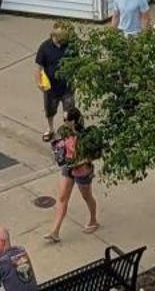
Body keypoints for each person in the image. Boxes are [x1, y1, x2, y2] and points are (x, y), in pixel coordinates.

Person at [46, 102, 100, 243]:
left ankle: (93, 220)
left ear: (74, 120)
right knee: (62, 196)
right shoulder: (63, 131)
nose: (64, 122)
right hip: (68, 167)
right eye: (63, 119)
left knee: (87, 196)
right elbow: (58, 146)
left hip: (82, 169)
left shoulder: (86, 135)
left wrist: (83, 161)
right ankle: (55, 231)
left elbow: (95, 153)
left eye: (67, 120)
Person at [33, 22, 72, 142]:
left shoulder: (70, 46)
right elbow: (38, 68)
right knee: (50, 111)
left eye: (63, 42)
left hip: (67, 87)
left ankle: (68, 131)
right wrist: (40, 83)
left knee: (69, 112)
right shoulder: (45, 47)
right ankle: (50, 129)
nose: (61, 44)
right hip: (51, 88)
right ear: (53, 36)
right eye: (59, 41)